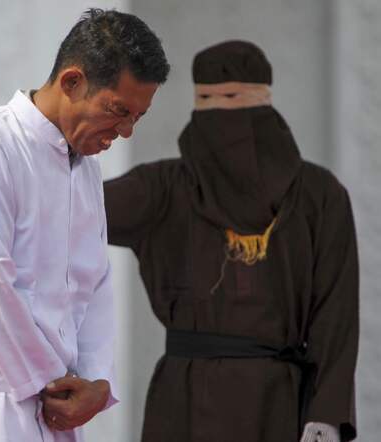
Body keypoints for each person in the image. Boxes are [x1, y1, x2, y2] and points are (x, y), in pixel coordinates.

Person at [0, 8, 170, 442]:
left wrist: (96, 383)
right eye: (117, 110)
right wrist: (53, 381)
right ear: (72, 82)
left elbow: (95, 281)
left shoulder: (83, 168)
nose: (125, 131)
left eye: (136, 118)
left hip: (57, 406)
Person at [104, 40, 358, 442]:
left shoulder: (318, 195)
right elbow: (67, 213)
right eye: (207, 99)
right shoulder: (163, 188)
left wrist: (325, 415)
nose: (222, 115)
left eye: (232, 98)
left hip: (279, 407)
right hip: (185, 404)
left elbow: (336, 313)